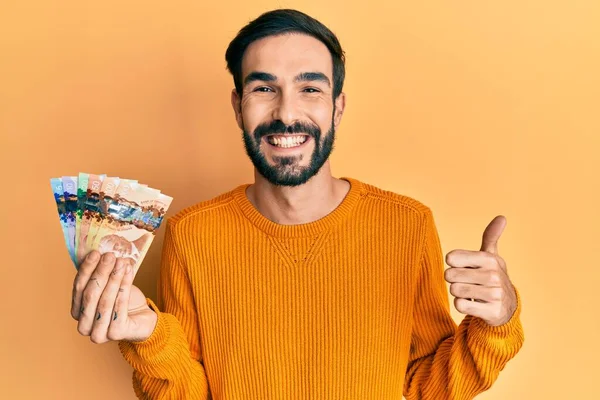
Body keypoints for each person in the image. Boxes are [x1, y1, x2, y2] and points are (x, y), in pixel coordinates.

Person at [70, 8, 524, 399]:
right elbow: (190, 392)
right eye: (264, 89)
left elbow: (431, 388)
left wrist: (497, 323)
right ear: (237, 105)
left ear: (337, 108)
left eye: (310, 89)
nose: (287, 114)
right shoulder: (192, 233)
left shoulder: (407, 224)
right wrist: (149, 335)